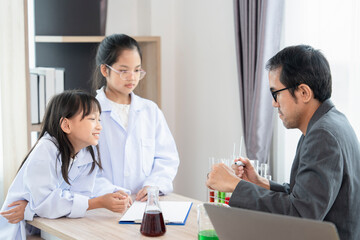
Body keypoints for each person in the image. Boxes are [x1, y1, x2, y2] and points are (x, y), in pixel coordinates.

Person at [206, 45, 360, 240]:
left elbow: (300, 215)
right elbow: (304, 197)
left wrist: (235, 186)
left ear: (304, 92)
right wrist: (260, 182)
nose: (274, 103)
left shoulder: (322, 135)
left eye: (276, 93)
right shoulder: (330, 122)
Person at [0, 90, 132, 240]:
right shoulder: (46, 149)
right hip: (24, 230)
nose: (99, 126)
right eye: (92, 119)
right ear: (66, 125)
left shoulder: (86, 151)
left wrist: (114, 192)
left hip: (50, 224)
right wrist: (98, 202)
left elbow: (80, 193)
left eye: (99, 120)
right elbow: (46, 203)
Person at [92, 34, 179, 201]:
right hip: (105, 205)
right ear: (105, 70)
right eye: (124, 71)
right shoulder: (90, 113)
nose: (132, 77)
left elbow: (167, 158)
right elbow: (84, 169)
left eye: (137, 70)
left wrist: (154, 184)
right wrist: (110, 191)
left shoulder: (150, 111)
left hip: (144, 204)